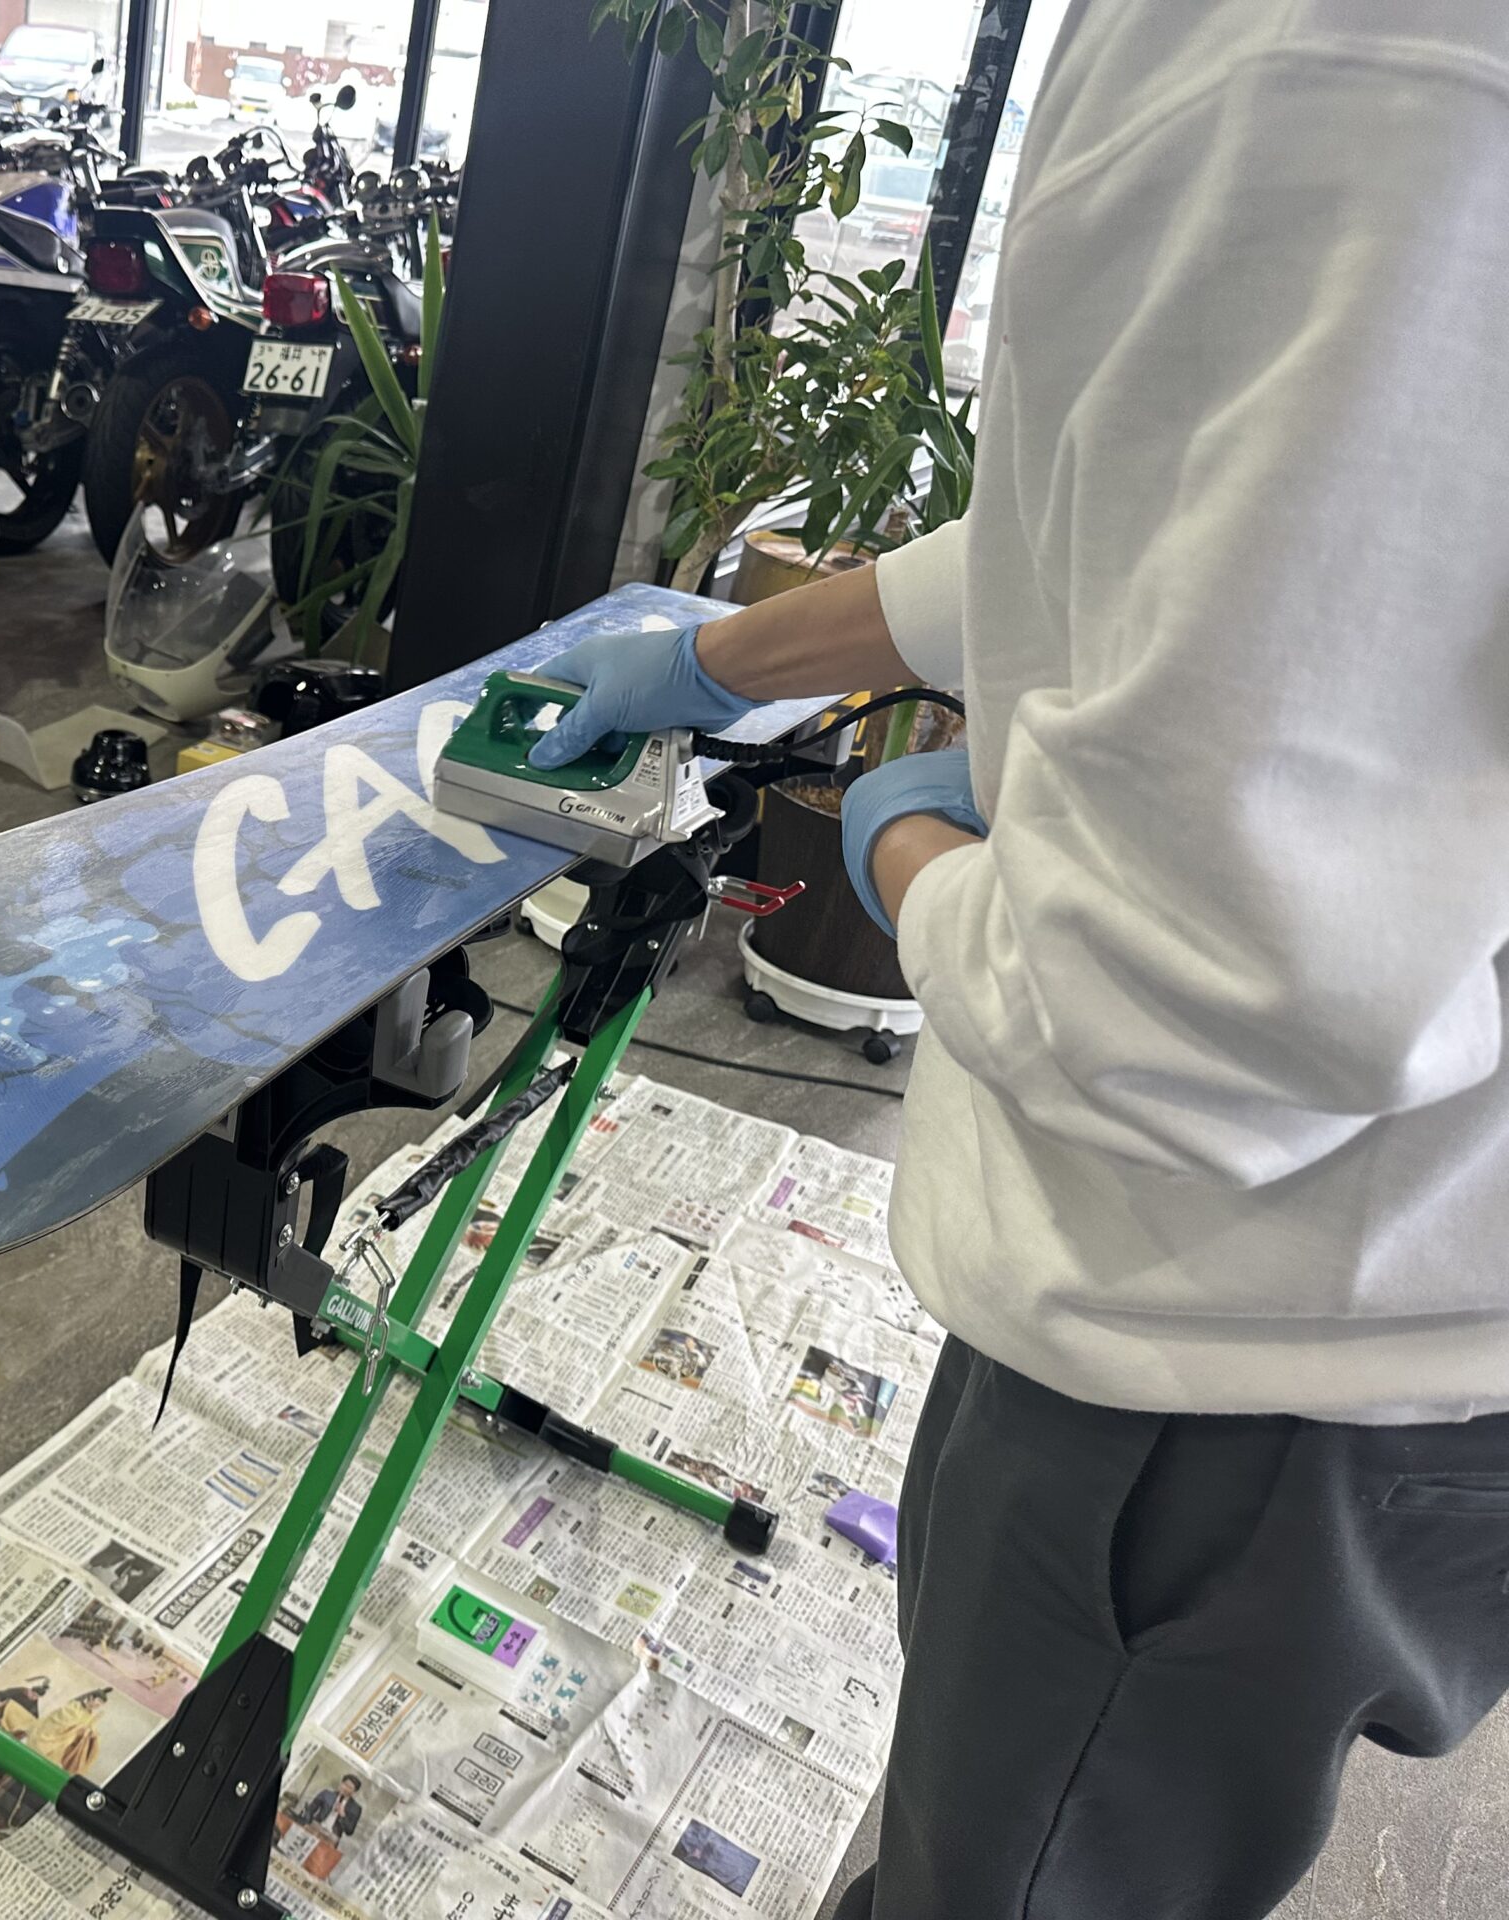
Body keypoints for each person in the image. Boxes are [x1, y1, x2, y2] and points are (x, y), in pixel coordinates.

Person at [527, 3, 1509, 1912]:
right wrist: (722, 660)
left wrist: (903, 842)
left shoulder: (1358, 58)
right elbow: (1114, 526)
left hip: (1231, 1383)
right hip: (1268, 1327)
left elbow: (1197, 1009)